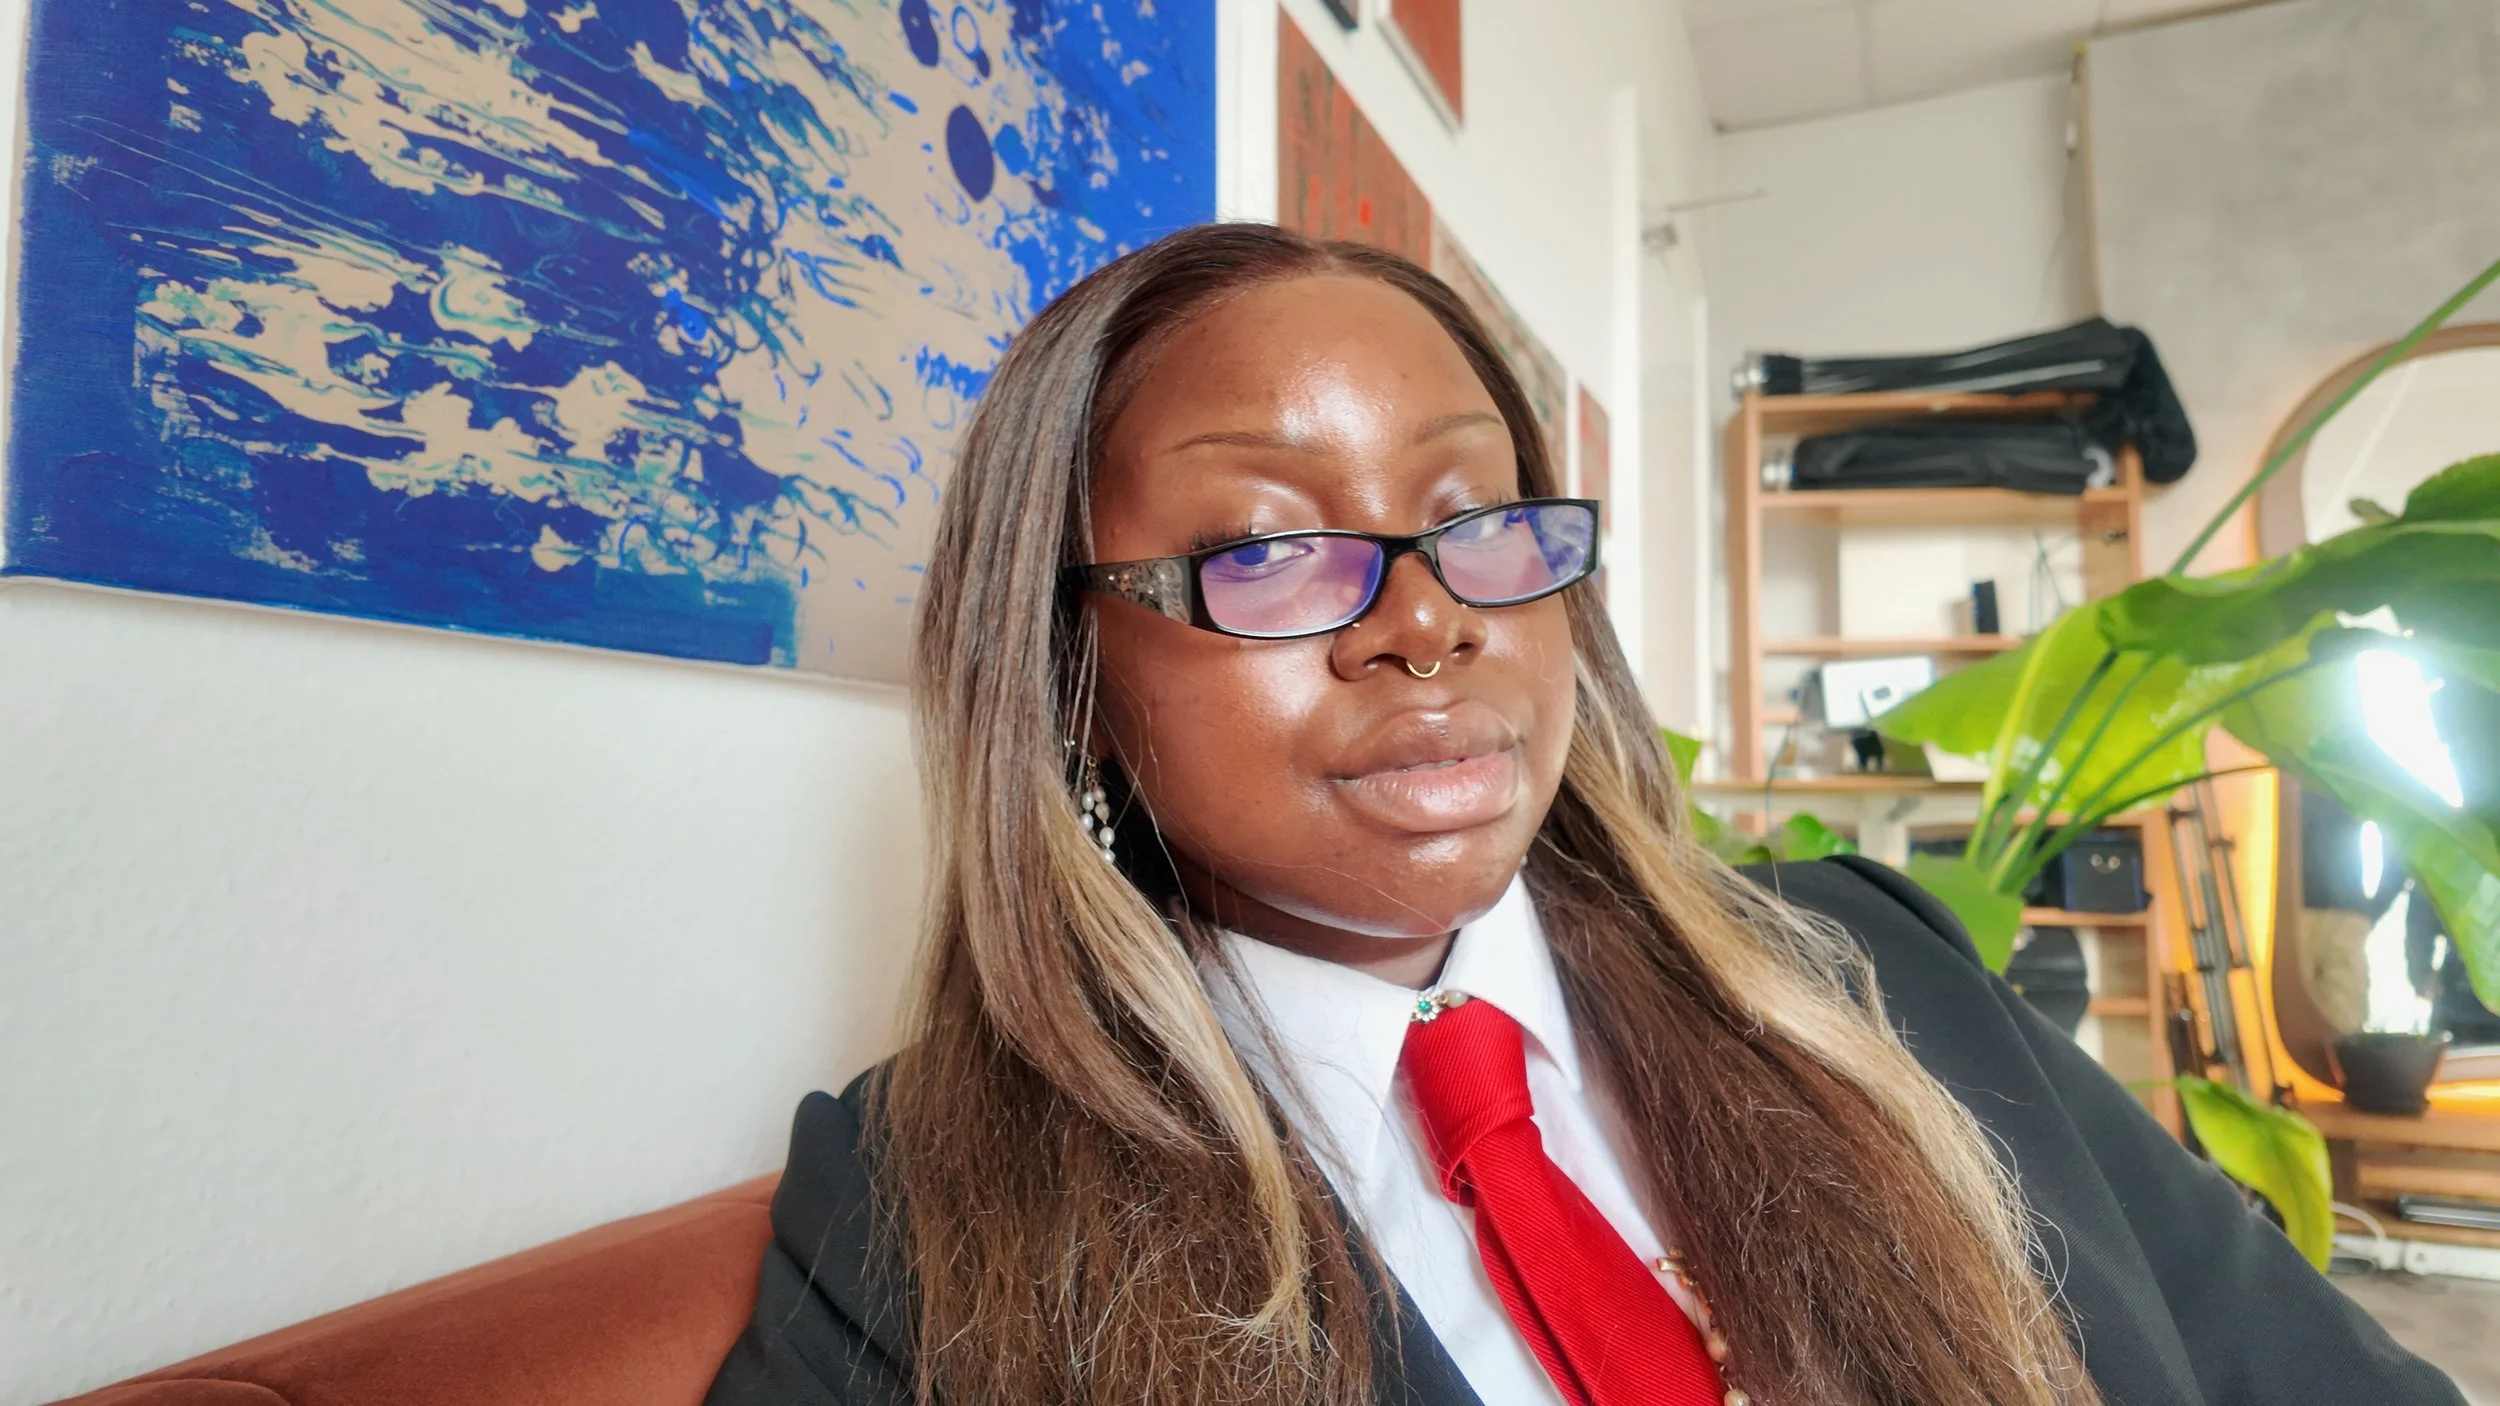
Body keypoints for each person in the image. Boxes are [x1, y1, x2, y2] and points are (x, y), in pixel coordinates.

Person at [706, 224, 2459, 1406]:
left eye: (1479, 516)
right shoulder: (914, 1218)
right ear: (1069, 669)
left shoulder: (1869, 966)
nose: (1428, 621)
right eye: (1268, 548)